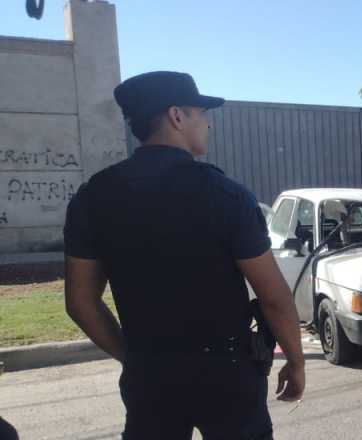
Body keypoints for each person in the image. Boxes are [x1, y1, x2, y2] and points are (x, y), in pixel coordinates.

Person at [63, 71, 305, 439]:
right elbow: (273, 298)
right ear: (177, 116)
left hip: (150, 374)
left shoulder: (92, 197)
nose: (207, 123)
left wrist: (135, 358)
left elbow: (81, 302)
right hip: (228, 372)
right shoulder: (226, 196)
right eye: (200, 112)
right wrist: (296, 362)